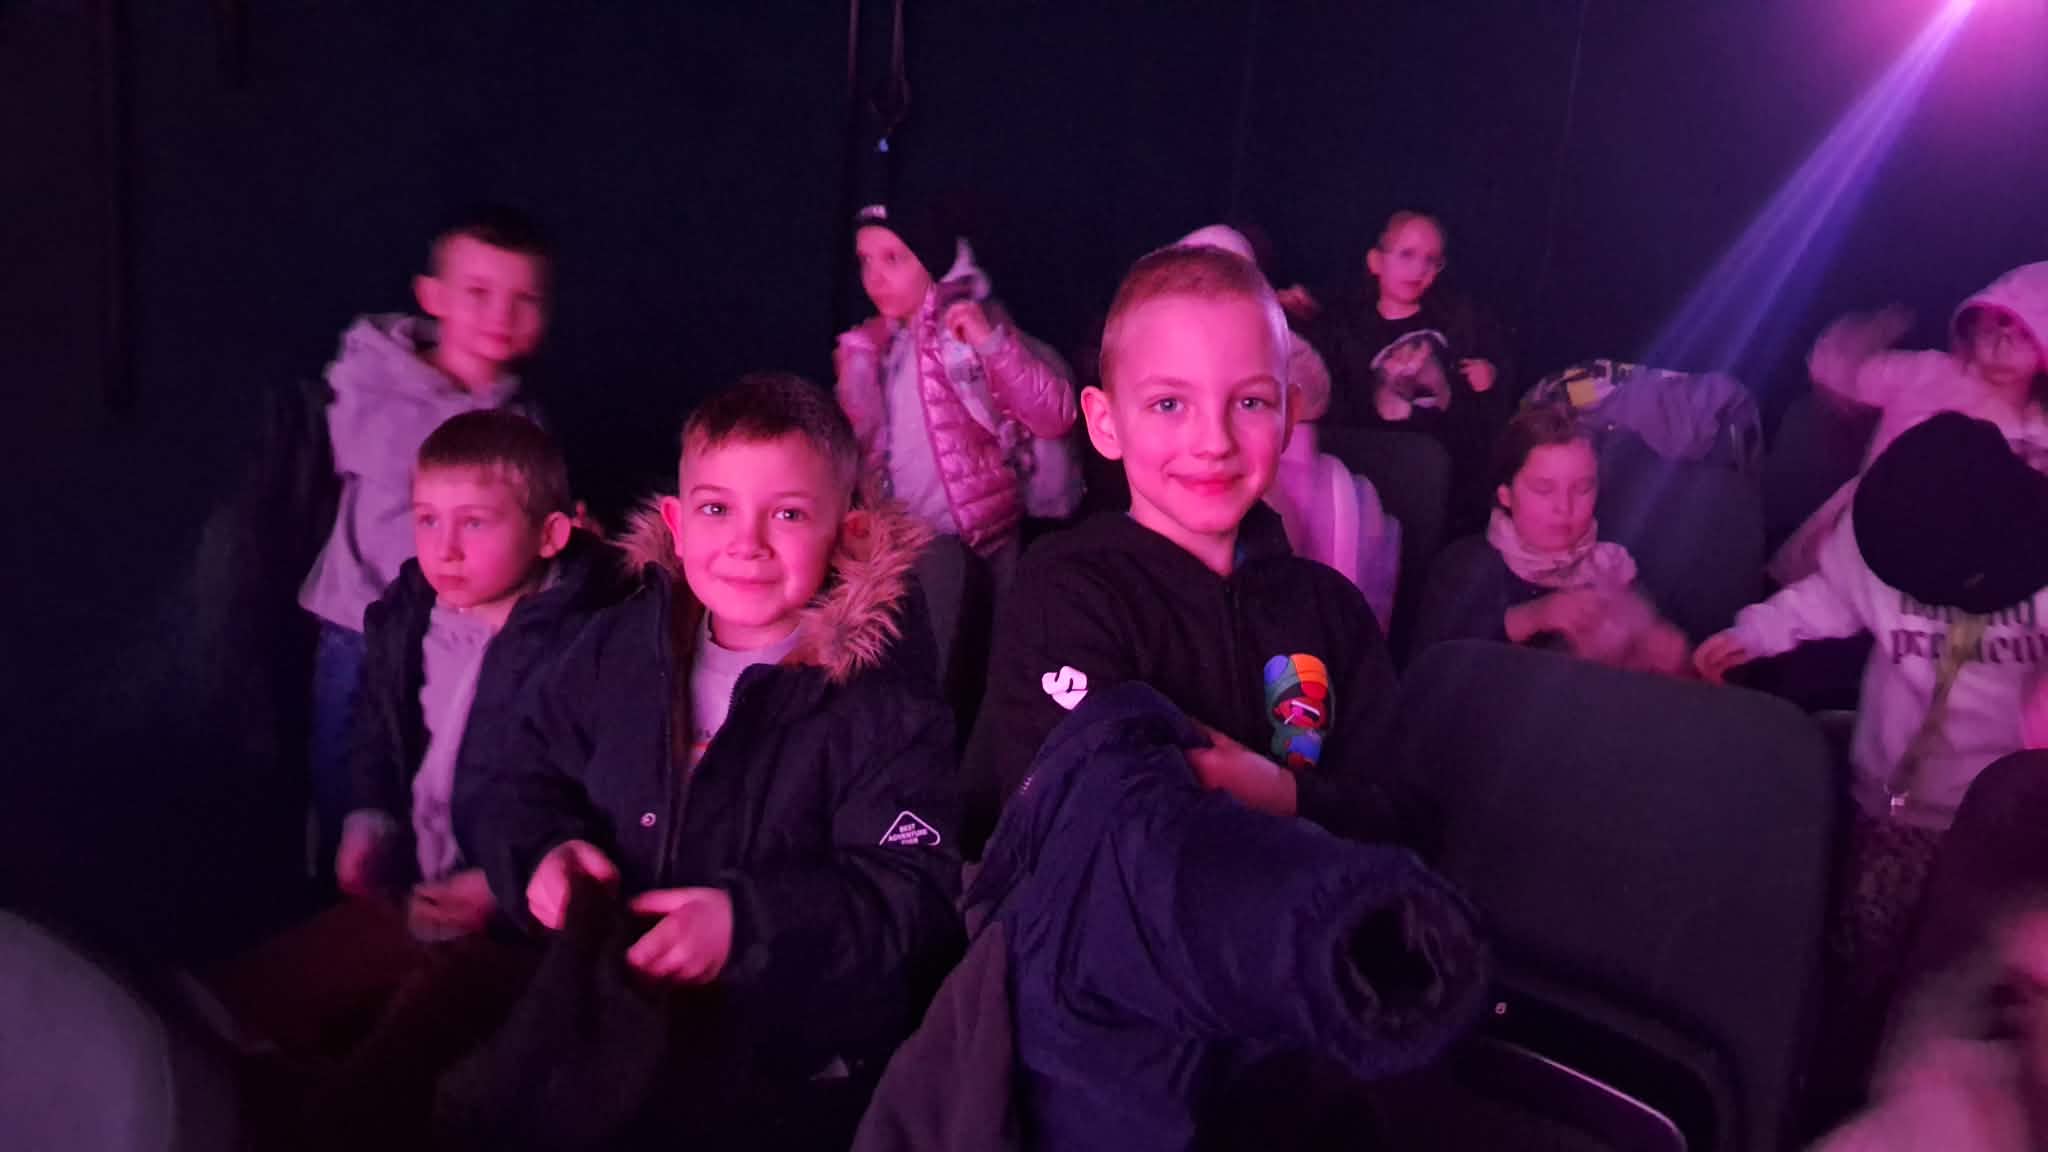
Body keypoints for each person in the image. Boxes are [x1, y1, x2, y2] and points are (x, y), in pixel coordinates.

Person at [458, 373, 964, 1147]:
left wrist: (744, 924)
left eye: (788, 514)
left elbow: (909, 897)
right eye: (717, 509)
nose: (746, 543)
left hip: (781, 1065)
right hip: (606, 1024)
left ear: (849, 533)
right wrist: (541, 855)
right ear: (677, 522)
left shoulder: (882, 704)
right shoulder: (619, 648)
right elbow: (517, 777)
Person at [206, 411, 622, 1148]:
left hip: (507, 928)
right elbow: (379, 724)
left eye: (474, 523)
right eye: (427, 519)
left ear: (550, 535)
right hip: (410, 893)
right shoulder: (408, 610)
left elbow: (606, 800)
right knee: (225, 1014)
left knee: (371, 1093)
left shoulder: (591, 637)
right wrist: (369, 818)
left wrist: (502, 885)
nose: (444, 548)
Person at [964, 242, 1419, 852]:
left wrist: (1281, 793)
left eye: (1251, 402)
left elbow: (1399, 821)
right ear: (1105, 423)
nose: (1213, 441)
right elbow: (1085, 831)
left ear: (1288, 419)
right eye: (1169, 404)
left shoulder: (1332, 610)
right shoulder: (1064, 592)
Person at [1696, 413, 2048, 1088]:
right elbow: (1828, 598)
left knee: (1952, 971)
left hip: (1981, 814)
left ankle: (1914, 1075)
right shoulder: (1886, 536)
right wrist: (1755, 633)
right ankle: (1841, 1073)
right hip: (1886, 794)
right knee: (1863, 947)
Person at [299, 204, 554, 878]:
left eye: (525, 299)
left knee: (427, 776)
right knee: (347, 778)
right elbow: (391, 458)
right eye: (479, 293)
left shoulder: (522, 419)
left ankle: (413, 902)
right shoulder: (377, 387)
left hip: (455, 632)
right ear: (432, 297)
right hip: (360, 623)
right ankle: (335, 896)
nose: (501, 315)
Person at [834, 202, 1079, 580]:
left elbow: (1052, 416)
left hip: (980, 540)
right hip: (903, 545)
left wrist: (991, 345)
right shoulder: (881, 346)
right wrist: (858, 371)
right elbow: (863, 448)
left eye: (893, 258)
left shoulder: (967, 331)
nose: (874, 278)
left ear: (930, 258)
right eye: (865, 261)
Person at [1177, 225, 1402, 624]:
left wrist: (1275, 335)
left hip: (1284, 469)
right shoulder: (1168, 348)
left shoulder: (1275, 339)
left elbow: (1315, 396)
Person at [1772, 261, 2048, 583]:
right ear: (1973, 323)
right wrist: (1871, 332)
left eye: (2025, 331)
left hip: (1956, 574)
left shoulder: (2038, 432)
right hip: (1856, 543)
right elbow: (1836, 371)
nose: (2005, 335)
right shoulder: (1927, 372)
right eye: (1999, 321)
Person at [1413, 405, 1688, 674]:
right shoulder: (1465, 567)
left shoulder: (1613, 566)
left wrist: (1674, 659)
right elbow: (1430, 672)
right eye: (1543, 489)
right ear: (1506, 495)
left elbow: (1659, 667)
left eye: (1582, 488)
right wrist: (1533, 617)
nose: (1564, 508)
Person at [1315, 210, 1512, 536]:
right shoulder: (1348, 330)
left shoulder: (1456, 322)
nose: (1419, 269)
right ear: (1376, 262)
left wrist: (1488, 376)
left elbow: (1478, 410)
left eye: (1431, 260)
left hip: (1443, 472)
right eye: (1406, 255)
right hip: (1377, 463)